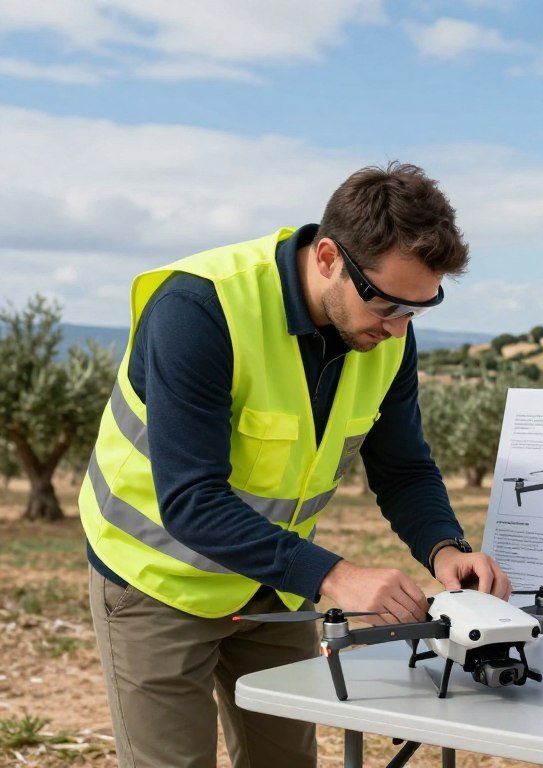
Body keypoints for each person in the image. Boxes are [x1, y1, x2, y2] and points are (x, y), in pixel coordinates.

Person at [79, 162, 511, 768]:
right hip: (156, 581)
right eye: (387, 303)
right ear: (329, 256)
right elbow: (190, 500)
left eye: (419, 308)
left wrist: (445, 548)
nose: (397, 327)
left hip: (275, 586)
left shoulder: (388, 332)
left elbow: (404, 466)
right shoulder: (198, 309)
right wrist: (336, 576)